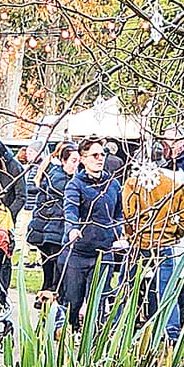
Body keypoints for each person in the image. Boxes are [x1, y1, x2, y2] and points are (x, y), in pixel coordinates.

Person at [122, 148, 184, 338]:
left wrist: (131, 236)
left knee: (126, 286)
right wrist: (175, 233)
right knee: (166, 290)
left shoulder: (132, 184)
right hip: (164, 242)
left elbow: (128, 214)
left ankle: (121, 326)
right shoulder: (172, 184)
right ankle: (171, 332)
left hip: (140, 244)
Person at [61, 139, 125, 330]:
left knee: (98, 301)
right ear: (83, 159)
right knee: (73, 301)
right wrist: (73, 228)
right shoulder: (75, 185)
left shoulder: (112, 184)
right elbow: (70, 209)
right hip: (78, 253)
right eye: (95, 155)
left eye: (102, 155)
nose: (100, 159)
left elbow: (119, 213)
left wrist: (116, 231)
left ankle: (95, 339)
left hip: (104, 252)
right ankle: (71, 333)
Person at [24, 145, 78, 296]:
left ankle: (46, 297)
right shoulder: (60, 178)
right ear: (63, 160)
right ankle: (50, 298)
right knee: (54, 270)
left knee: (50, 269)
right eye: (74, 161)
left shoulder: (52, 173)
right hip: (53, 228)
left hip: (48, 227)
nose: (77, 165)